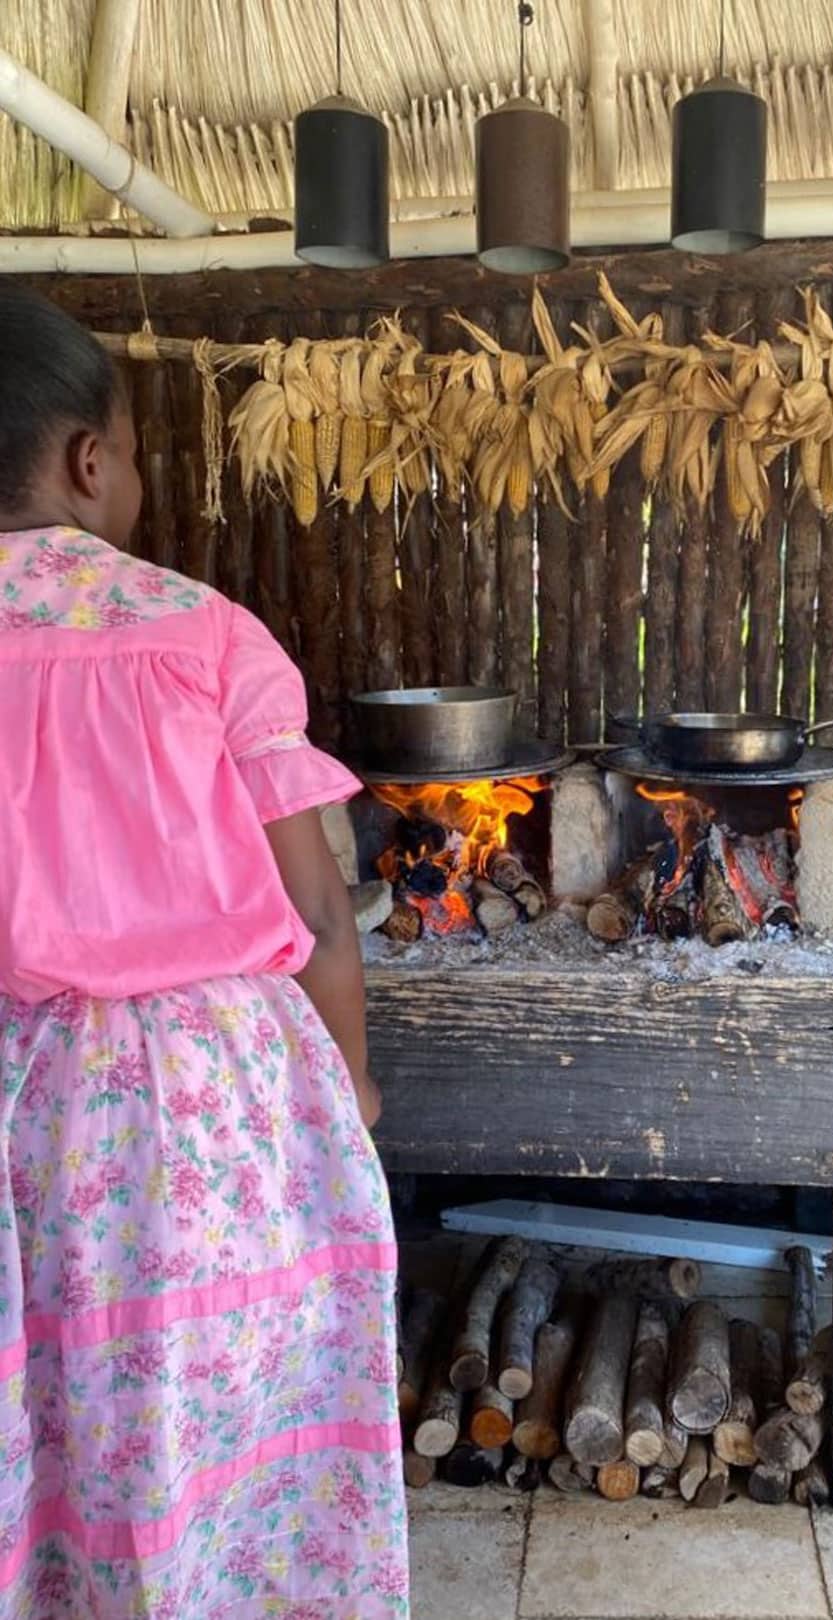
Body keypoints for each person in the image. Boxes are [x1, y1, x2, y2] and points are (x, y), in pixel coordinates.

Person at [0, 286, 407, 1619]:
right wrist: (348, 1090)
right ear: (88, 461)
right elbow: (327, 915)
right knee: (200, 1430)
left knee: (41, 1433)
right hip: (201, 1110)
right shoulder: (207, 635)